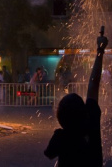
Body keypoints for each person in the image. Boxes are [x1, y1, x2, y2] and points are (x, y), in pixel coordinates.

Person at [44, 28, 108, 167]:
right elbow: (94, 83)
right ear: (83, 111)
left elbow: (49, 153)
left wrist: (59, 133)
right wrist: (100, 51)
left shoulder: (62, 138)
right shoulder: (91, 122)